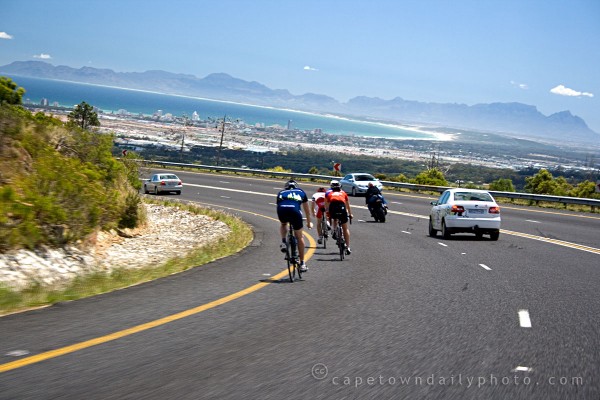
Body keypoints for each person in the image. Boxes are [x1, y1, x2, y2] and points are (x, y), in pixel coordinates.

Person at [276, 179, 313, 272]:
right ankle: (302, 263)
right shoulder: (301, 192)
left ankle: (284, 241)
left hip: (282, 210)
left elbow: (279, 205)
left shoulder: (281, 192)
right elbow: (307, 211)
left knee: (283, 224)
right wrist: (309, 223)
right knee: (300, 237)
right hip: (295, 212)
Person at [325, 179, 353, 255]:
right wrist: (350, 214)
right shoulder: (344, 193)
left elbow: (326, 207)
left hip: (333, 210)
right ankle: (348, 247)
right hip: (343, 210)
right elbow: (348, 205)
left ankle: (334, 231)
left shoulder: (329, 194)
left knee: (334, 219)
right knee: (345, 228)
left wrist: (327, 214)